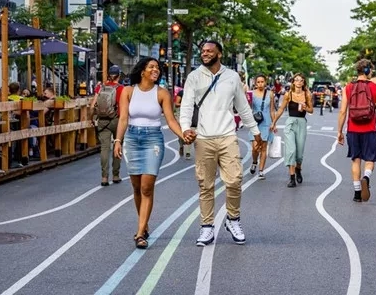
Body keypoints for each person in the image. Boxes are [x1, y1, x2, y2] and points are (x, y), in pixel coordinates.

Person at [179, 40, 262, 247]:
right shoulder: (194, 77)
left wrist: (256, 131)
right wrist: (185, 129)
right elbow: (187, 105)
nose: (205, 54)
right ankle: (207, 227)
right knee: (205, 184)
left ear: (219, 54)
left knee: (234, 180)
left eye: (209, 51)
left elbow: (242, 107)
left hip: (227, 136)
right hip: (204, 137)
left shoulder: (232, 77)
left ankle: (233, 220)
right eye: (203, 51)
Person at [113, 57, 186, 249]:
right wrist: (118, 141)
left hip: (153, 140)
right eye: (151, 67)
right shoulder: (128, 91)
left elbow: (170, 120)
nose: (156, 70)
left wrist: (182, 136)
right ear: (142, 70)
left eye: (158, 68)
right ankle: (143, 225)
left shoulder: (162, 93)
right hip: (132, 139)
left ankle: (139, 233)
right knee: (136, 187)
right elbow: (122, 119)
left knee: (146, 187)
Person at [337, 59, 376, 203]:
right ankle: (366, 177)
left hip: (353, 129)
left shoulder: (348, 87)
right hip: (369, 129)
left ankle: (357, 193)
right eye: (371, 70)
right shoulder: (374, 87)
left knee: (355, 160)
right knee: (370, 160)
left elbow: (342, 111)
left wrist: (339, 132)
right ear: (367, 71)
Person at [271, 73, 313, 188]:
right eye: (297, 80)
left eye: (301, 80)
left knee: (299, 153)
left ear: (304, 82)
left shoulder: (307, 94)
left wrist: (305, 108)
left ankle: (298, 169)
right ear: (293, 82)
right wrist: (274, 122)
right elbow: (280, 109)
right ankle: (292, 177)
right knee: (291, 150)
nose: (299, 82)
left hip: (301, 123)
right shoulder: (288, 94)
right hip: (290, 123)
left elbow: (311, 110)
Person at [90, 65, 124, 186]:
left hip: (103, 120)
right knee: (117, 145)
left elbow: (93, 104)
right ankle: (116, 175)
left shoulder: (100, 87)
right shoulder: (121, 88)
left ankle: (104, 177)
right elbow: (123, 107)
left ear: (109, 75)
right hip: (117, 120)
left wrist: (92, 118)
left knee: (104, 148)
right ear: (119, 75)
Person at [249, 75, 276, 180]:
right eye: (258, 82)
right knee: (255, 147)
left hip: (266, 123)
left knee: (264, 147)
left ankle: (261, 171)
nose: (260, 84)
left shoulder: (270, 94)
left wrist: (274, 123)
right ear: (255, 83)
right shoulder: (252, 94)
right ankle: (255, 162)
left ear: (265, 82)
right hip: (255, 122)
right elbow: (248, 108)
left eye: (262, 81)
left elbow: (272, 110)